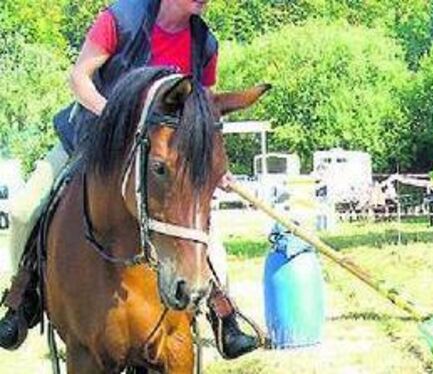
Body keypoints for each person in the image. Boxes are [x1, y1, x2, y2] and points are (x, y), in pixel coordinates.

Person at [0, 0, 258, 359]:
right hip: (93, 138)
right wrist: (117, 118)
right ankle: (22, 297)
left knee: (198, 228)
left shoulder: (205, 43)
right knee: (23, 210)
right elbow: (79, 78)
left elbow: (203, 108)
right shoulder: (120, 19)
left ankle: (222, 312)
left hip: (160, 155)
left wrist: (211, 163)